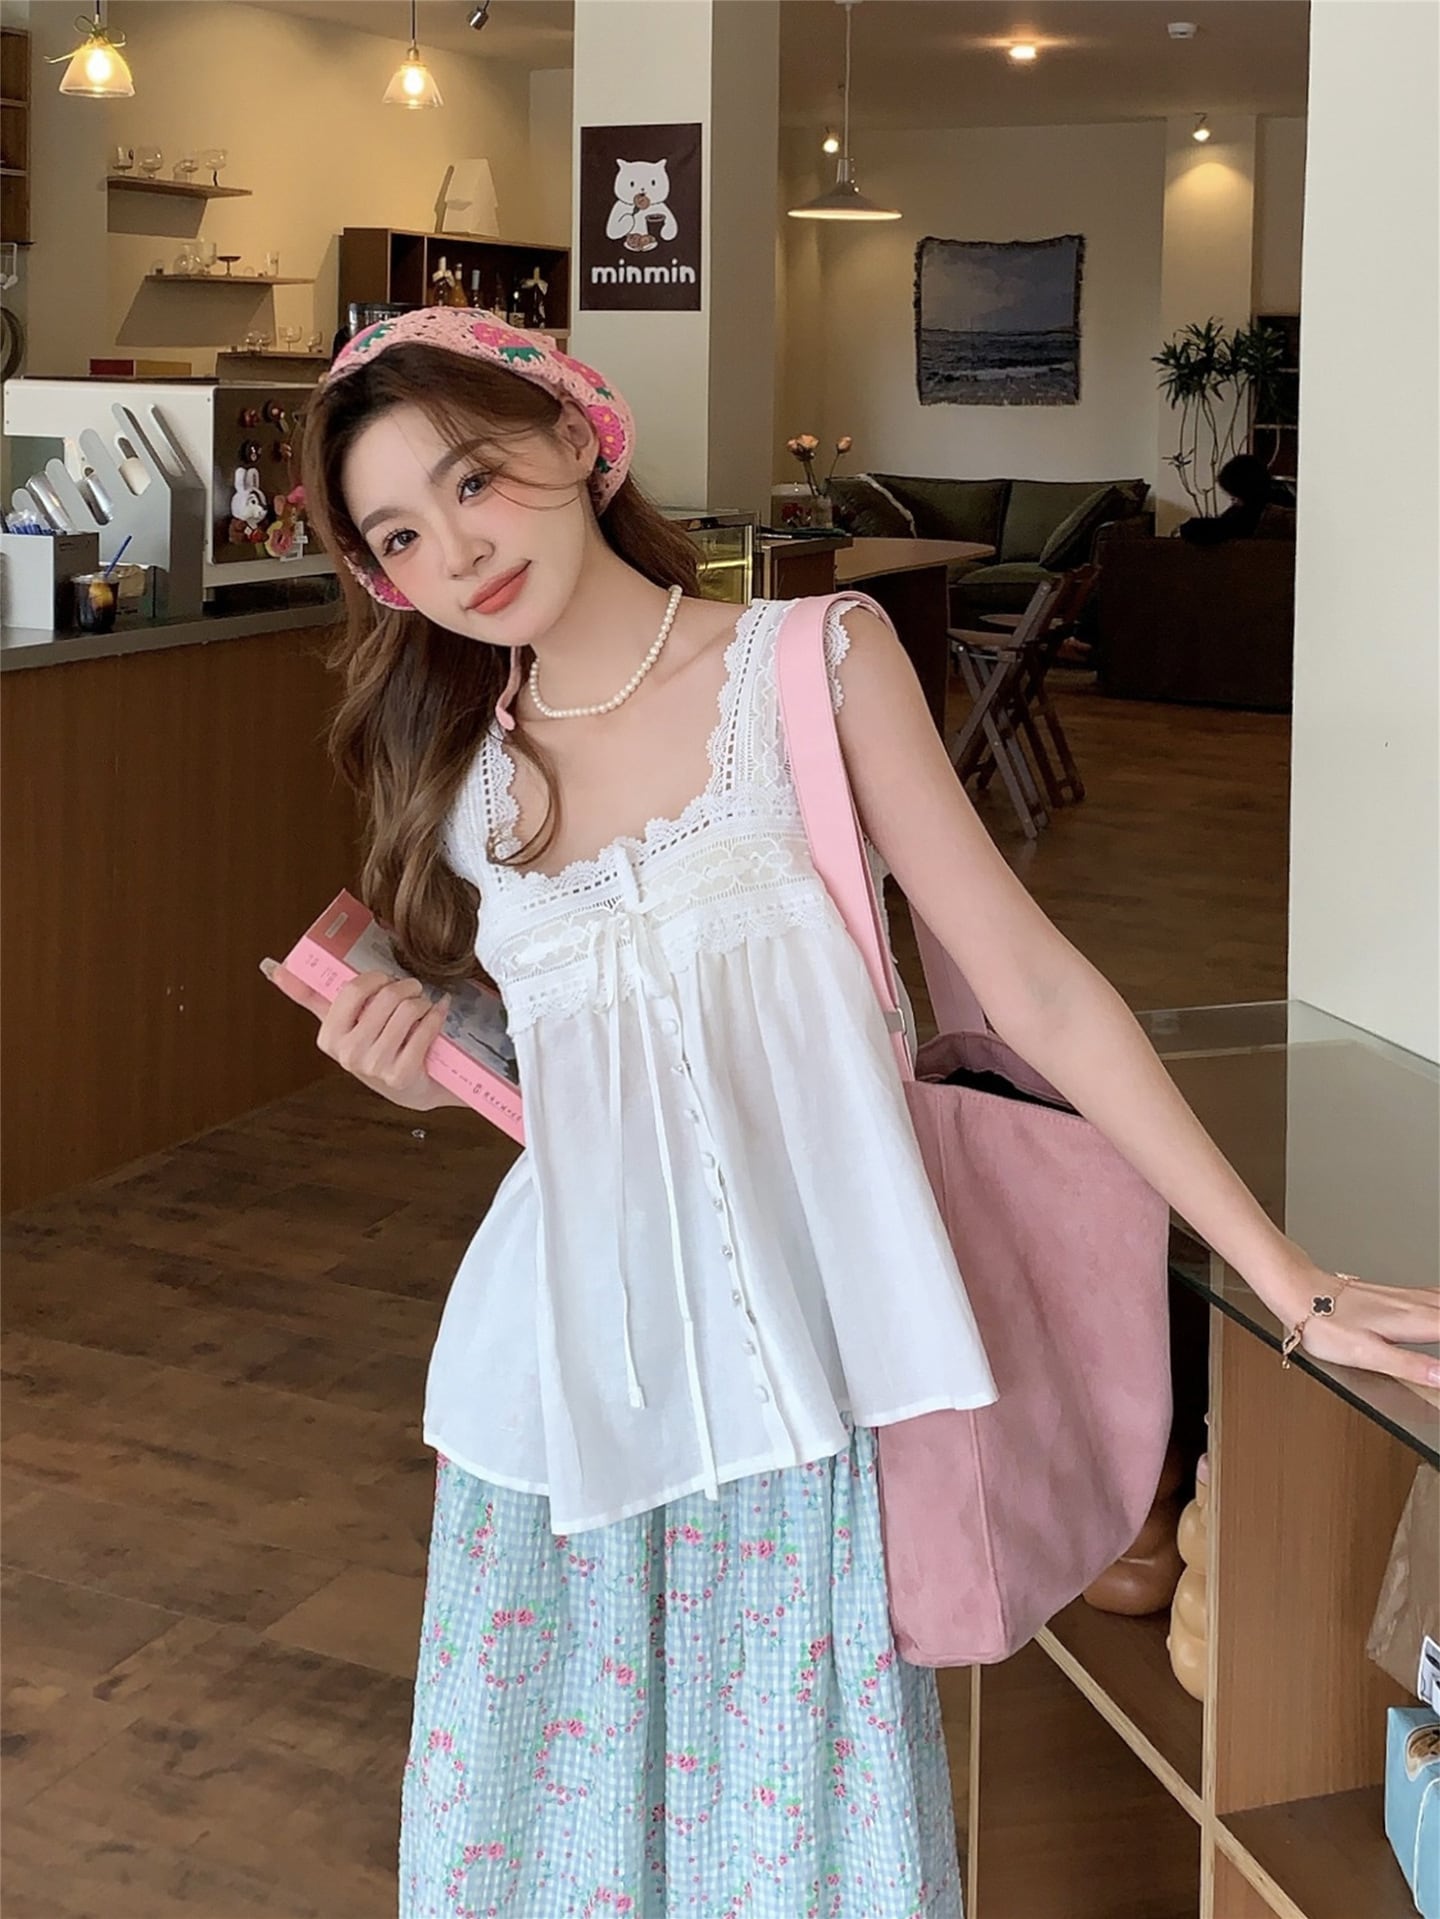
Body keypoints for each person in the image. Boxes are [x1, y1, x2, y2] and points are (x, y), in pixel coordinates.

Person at [263, 307, 1438, 1918]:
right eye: (399, 532)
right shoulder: (462, 774)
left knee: (804, 1871)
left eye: (473, 478)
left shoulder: (805, 669)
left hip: (798, 1396)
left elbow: (1038, 992)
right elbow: (609, 1106)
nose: (456, 548)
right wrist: (421, 1067)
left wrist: (1288, 1280)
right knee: (536, 1867)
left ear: (578, 435)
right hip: (553, 1416)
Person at [1178, 452, 1292, 546]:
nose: (1233, 502)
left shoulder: (1258, 512)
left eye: (1234, 497)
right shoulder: (1283, 499)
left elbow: (1224, 529)